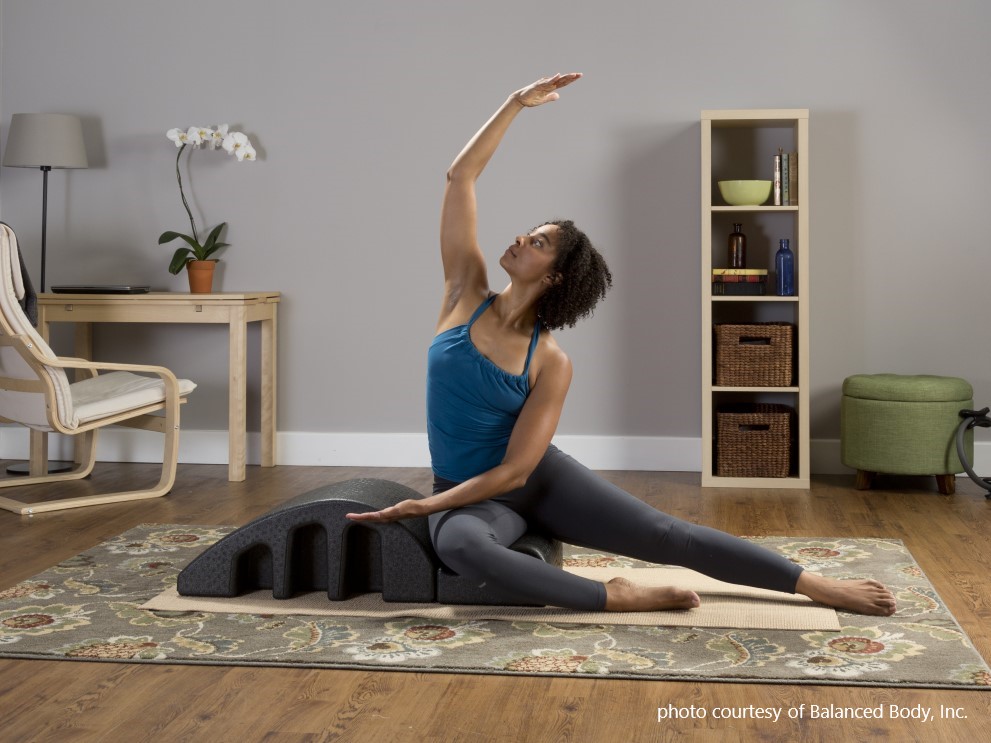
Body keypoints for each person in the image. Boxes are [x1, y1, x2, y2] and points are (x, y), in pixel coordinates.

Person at [348, 74, 896, 617]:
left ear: (557, 277)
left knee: (667, 535)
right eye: (528, 232)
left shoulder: (550, 360)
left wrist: (425, 506)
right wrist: (516, 103)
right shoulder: (463, 295)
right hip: (470, 495)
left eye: (537, 242)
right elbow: (459, 177)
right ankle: (616, 596)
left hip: (536, 482)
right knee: (463, 547)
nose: (519, 239)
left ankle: (813, 583)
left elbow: (517, 472)